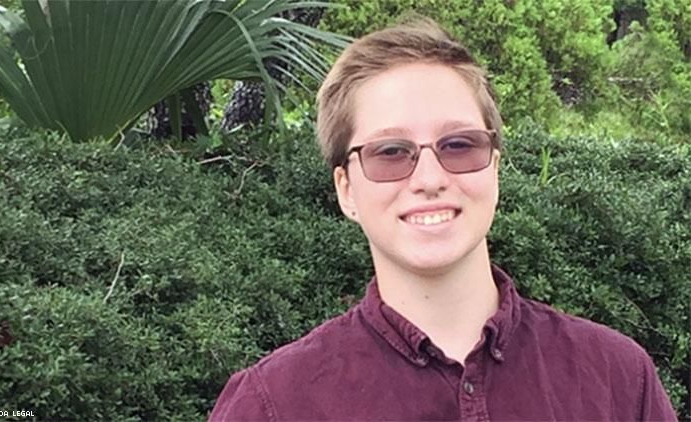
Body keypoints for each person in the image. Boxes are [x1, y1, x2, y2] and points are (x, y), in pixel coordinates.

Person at [209, 17, 677, 421]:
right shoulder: (272, 405)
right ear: (346, 189)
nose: (430, 179)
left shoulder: (617, 379)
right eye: (390, 152)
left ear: (494, 168)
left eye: (458, 145)